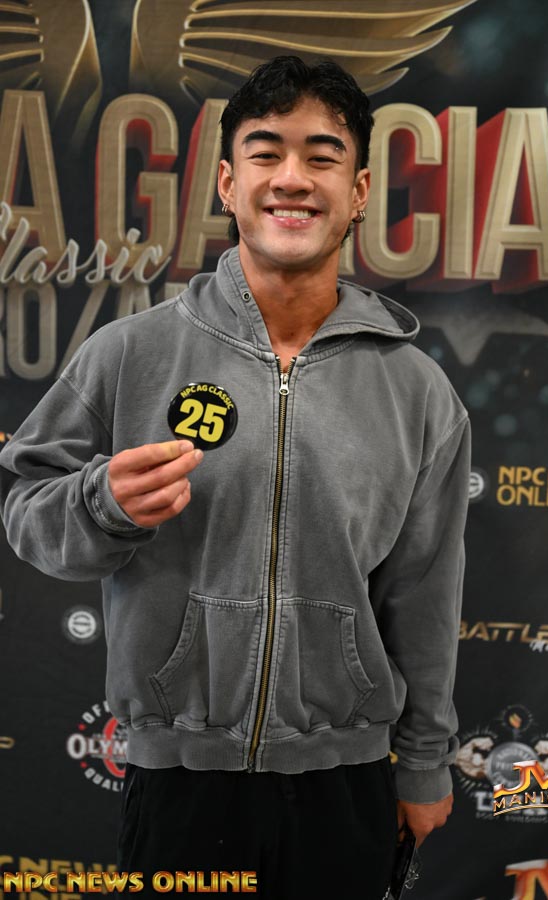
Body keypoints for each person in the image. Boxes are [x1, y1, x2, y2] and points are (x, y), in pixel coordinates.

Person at [0, 56, 470, 899]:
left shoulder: (418, 392)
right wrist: (101, 503)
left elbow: (424, 596)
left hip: (347, 784)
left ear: (359, 191)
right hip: (181, 782)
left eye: (322, 157)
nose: (292, 178)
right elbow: (29, 511)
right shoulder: (128, 354)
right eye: (266, 152)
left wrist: (427, 760)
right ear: (226, 183)